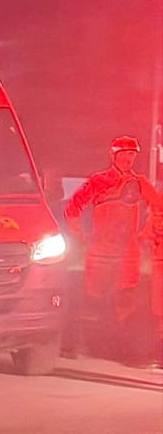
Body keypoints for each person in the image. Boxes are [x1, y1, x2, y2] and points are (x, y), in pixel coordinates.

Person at [64, 135, 163, 365]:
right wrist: (81, 236)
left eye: (132, 155)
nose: (129, 159)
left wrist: (147, 234)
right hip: (100, 252)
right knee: (94, 299)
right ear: (113, 155)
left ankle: (125, 352)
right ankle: (83, 345)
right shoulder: (98, 181)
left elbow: (159, 209)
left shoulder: (139, 184)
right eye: (124, 154)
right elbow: (73, 208)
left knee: (126, 303)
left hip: (128, 254)